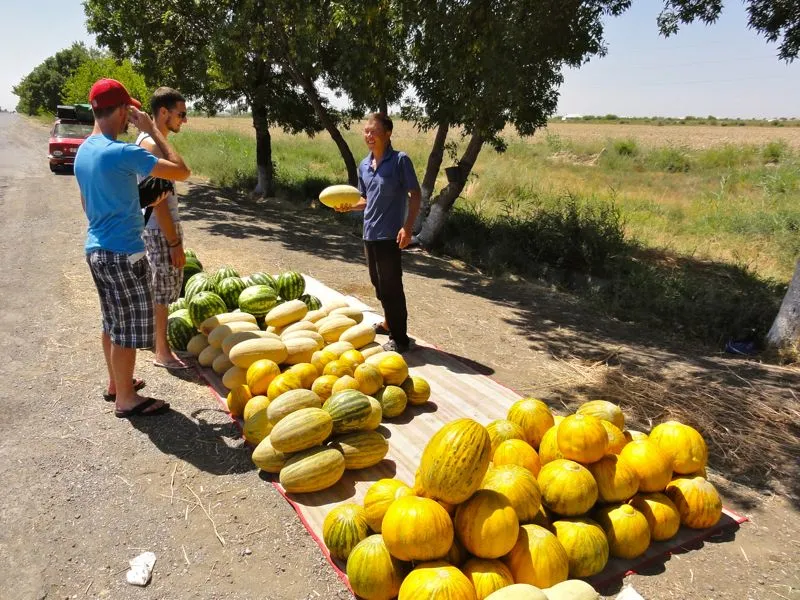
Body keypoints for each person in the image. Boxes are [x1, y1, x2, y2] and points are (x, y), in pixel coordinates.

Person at [74, 78, 191, 418]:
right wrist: (154, 130)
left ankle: (116, 384)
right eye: (130, 110)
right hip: (123, 252)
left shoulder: (86, 150)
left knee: (110, 322)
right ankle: (126, 399)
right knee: (126, 329)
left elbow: (86, 202)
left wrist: (125, 208)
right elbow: (181, 171)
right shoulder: (123, 152)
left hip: (96, 247)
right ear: (123, 110)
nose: (131, 117)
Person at [338, 113, 421, 353]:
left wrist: (408, 227)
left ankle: (400, 338)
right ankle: (388, 322)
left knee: (392, 286)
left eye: (374, 131)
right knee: (378, 284)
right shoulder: (364, 165)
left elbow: (415, 194)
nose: (369, 135)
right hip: (369, 233)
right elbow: (364, 198)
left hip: (390, 236)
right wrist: (348, 206)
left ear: (388, 133)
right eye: (366, 131)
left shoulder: (399, 161)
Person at [136, 87, 189, 370]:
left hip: (160, 229)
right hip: (159, 230)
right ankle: (162, 351)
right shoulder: (153, 145)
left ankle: (158, 345)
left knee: (162, 288)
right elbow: (158, 200)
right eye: (181, 114)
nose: (184, 120)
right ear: (163, 113)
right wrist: (173, 242)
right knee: (161, 290)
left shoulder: (150, 141)